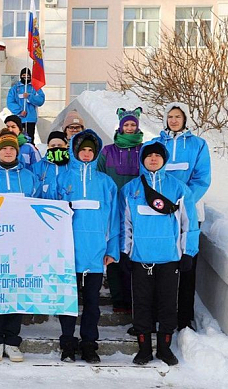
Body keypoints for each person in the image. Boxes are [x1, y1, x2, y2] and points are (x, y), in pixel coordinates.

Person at [120, 140, 199, 366]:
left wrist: (188, 253)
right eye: (148, 156)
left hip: (169, 260)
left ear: (164, 160)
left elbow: (189, 223)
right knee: (142, 305)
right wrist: (125, 252)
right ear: (142, 160)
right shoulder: (131, 189)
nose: (153, 159)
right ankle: (144, 349)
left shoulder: (179, 189)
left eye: (157, 156)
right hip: (141, 259)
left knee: (167, 305)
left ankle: (164, 348)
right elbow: (125, 224)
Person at [53, 129, 119, 364]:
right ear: (74, 151)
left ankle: (89, 344)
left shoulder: (105, 182)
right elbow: (50, 215)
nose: (87, 154)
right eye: (83, 150)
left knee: (92, 303)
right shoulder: (62, 178)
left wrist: (112, 249)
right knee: (68, 303)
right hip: (68, 252)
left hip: (95, 253)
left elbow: (114, 218)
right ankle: (68, 344)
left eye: (91, 150)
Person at [0, 130, 39, 363]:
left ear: (17, 152)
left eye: (12, 148)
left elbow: (38, 205)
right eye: (4, 148)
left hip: (20, 244)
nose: (9, 151)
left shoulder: (30, 177)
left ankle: (12, 340)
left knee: (15, 289)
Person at [152, 102, 211, 331]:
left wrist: (182, 202)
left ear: (185, 119)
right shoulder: (156, 144)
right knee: (161, 264)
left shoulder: (198, 145)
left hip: (188, 211)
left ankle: (184, 319)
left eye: (178, 116)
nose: (174, 120)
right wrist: (163, 203)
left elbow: (201, 178)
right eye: (170, 116)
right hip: (161, 214)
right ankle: (158, 314)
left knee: (186, 265)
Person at [97, 107, 144, 314]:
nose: (130, 128)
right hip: (113, 209)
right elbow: (99, 176)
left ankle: (134, 299)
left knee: (133, 254)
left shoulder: (144, 150)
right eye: (127, 124)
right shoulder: (108, 151)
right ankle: (119, 301)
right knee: (115, 253)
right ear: (120, 126)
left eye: (133, 124)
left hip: (136, 210)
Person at [6, 68, 45, 144]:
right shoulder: (15, 88)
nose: (26, 77)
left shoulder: (35, 88)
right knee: (18, 138)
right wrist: (19, 111)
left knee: (30, 139)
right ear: (20, 76)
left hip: (31, 118)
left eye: (28, 75)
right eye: (24, 75)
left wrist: (30, 97)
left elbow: (41, 100)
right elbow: (10, 102)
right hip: (19, 119)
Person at [31, 130, 69, 199]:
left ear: (66, 145)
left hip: (68, 207)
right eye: (53, 145)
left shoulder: (73, 165)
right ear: (48, 146)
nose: (56, 148)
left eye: (60, 145)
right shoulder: (38, 167)